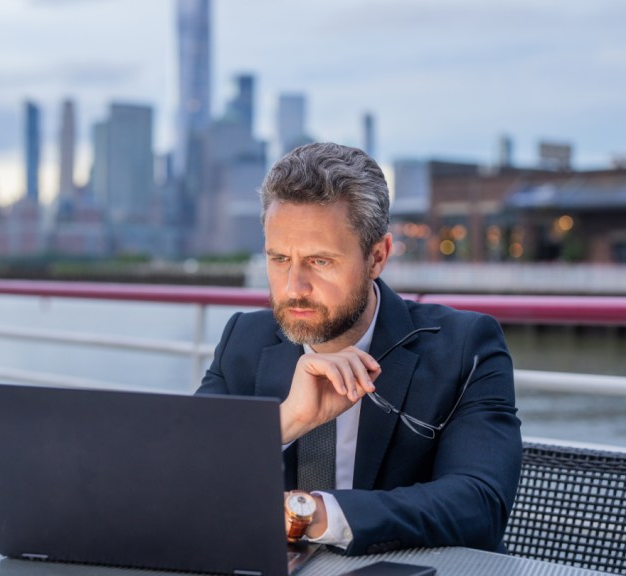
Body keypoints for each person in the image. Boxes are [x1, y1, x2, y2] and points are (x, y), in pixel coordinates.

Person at [196, 142, 521, 556]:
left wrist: (312, 514)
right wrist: (284, 421)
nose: (293, 287)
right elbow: (188, 475)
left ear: (378, 256)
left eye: (320, 262)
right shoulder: (244, 339)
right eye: (279, 259)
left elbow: (480, 502)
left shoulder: (465, 345)